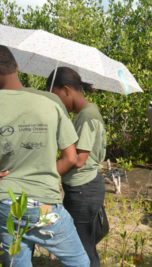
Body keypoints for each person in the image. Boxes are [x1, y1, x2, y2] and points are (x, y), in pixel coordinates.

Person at [0, 45, 90, 266]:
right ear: (17, 66)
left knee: (16, 261)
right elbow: (70, 158)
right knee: (80, 262)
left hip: (5, 203)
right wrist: (45, 173)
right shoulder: (50, 102)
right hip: (43, 207)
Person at [47, 67, 107, 267]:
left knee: (81, 250)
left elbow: (77, 159)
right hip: (85, 188)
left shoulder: (86, 116)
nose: (58, 103)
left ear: (66, 90)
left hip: (83, 190)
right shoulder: (86, 112)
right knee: (84, 245)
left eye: (56, 97)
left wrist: (45, 172)